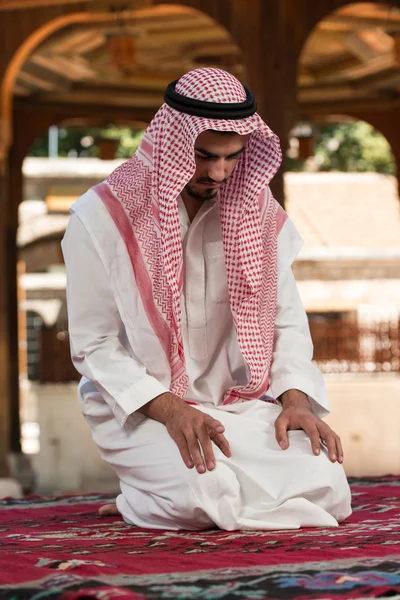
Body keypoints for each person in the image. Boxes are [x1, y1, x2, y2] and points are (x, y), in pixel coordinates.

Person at [62, 67, 352, 531]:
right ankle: (144, 497)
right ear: (173, 142)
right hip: (143, 408)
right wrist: (170, 410)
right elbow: (94, 345)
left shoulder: (257, 213)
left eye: (233, 157)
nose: (218, 172)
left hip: (236, 406)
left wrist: (295, 401)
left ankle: (166, 492)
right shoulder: (103, 216)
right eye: (203, 156)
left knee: (329, 483)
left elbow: (287, 325)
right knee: (202, 497)